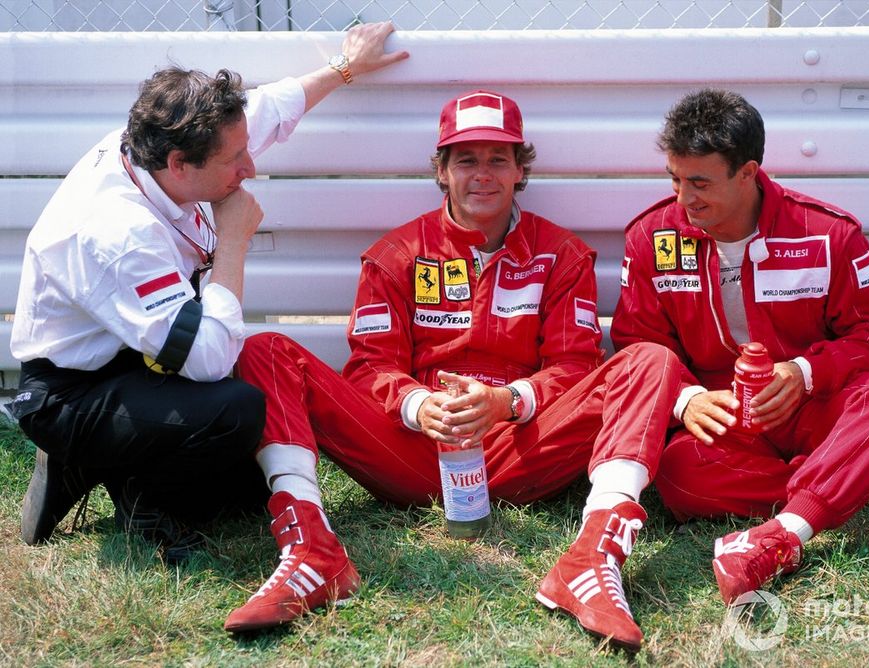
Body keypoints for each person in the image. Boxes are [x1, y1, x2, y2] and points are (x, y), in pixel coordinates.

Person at [227, 89, 691, 649]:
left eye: (499, 159)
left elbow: (575, 365)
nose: (483, 174)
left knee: (649, 360)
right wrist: (421, 407)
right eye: (466, 159)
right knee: (266, 351)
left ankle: (593, 560)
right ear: (441, 171)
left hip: (523, 447)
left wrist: (507, 402)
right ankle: (311, 551)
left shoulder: (561, 254)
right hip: (419, 457)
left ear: (522, 169)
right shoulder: (397, 254)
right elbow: (370, 368)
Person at [5, 22, 408, 563]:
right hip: (73, 389)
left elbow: (271, 108)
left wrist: (344, 68)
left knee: (244, 490)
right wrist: (235, 244)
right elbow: (209, 361)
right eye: (234, 161)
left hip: (133, 354)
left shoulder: (171, 150)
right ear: (179, 164)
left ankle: (102, 460)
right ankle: (131, 496)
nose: (251, 168)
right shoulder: (119, 233)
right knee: (236, 410)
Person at [612, 88, 869, 605]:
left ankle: (785, 533)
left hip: (813, 409)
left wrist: (803, 373)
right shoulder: (651, 236)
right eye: (676, 179)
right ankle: (858, 482)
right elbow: (636, 343)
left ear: (748, 172)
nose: (684, 198)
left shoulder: (825, 233)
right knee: (678, 475)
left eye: (700, 182)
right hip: (725, 420)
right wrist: (688, 402)